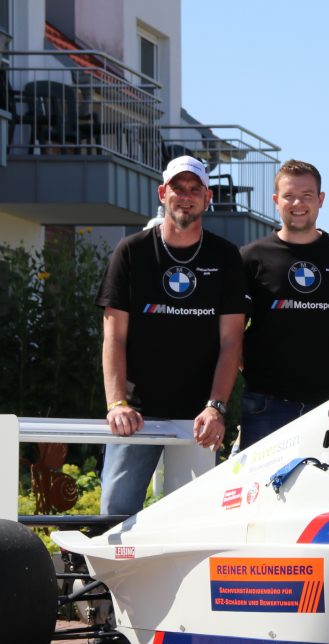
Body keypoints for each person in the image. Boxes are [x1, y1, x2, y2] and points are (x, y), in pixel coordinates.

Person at [96, 155, 247, 515]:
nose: (186, 196)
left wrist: (216, 407)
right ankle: (106, 575)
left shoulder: (225, 257)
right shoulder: (131, 251)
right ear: (162, 193)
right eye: (178, 188)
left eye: (195, 189)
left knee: (192, 525)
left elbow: (232, 342)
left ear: (207, 199)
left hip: (198, 420)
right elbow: (113, 337)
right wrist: (117, 404)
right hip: (136, 416)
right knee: (115, 519)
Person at [238, 160, 329, 449]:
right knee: (261, 492)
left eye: (307, 195)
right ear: (275, 201)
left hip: (327, 402)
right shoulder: (251, 257)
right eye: (289, 196)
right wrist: (254, 369)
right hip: (265, 403)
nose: (298, 203)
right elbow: (232, 330)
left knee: (322, 492)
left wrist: (328, 365)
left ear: (320, 200)